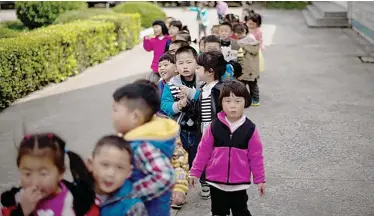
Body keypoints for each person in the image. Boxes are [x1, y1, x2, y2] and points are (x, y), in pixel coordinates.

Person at [189, 79, 266, 216]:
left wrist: (259, 179)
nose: (232, 106)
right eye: (228, 101)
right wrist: (195, 172)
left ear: (246, 102)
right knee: (218, 212)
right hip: (216, 182)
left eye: (237, 101)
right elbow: (203, 152)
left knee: (240, 211)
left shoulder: (250, 129)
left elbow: (256, 156)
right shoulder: (214, 126)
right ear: (221, 102)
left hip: (239, 182)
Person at [112, 81, 179, 216]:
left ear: (135, 116)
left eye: (115, 110)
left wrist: (131, 193)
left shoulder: (141, 145)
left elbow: (164, 176)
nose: (112, 115)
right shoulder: (142, 139)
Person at [1, 133, 99, 216]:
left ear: (60, 173)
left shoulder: (75, 200)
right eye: (27, 174)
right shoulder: (17, 200)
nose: (35, 182)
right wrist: (22, 211)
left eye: (43, 174)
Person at [87, 135, 147, 215]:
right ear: (90, 164)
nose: (111, 174)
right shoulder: (77, 193)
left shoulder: (133, 206)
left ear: (128, 172)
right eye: (105, 165)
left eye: (120, 167)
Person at [237, 33, 260, 106]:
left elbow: (239, 59)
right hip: (253, 71)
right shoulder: (255, 47)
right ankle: (256, 100)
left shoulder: (243, 48)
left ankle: (244, 101)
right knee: (253, 86)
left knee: (242, 87)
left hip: (245, 71)